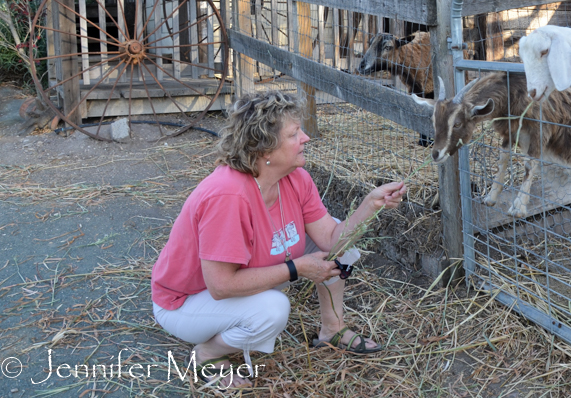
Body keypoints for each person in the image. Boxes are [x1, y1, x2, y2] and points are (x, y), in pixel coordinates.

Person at [150, 90, 407, 388]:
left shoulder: (296, 178)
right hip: (188, 303)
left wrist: (370, 205)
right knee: (272, 310)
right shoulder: (228, 195)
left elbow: (331, 239)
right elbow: (220, 286)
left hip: (243, 276)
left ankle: (332, 329)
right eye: (295, 133)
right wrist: (298, 268)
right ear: (266, 149)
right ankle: (208, 352)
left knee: (342, 250)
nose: (306, 138)